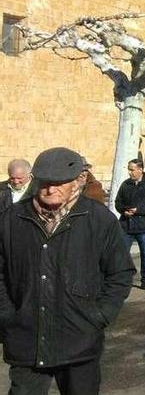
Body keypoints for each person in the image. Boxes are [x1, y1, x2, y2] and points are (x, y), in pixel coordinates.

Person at [0, 147, 134, 394]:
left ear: (76, 181)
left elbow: (121, 273)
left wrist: (99, 315)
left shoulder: (98, 219)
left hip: (79, 342)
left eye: (59, 182)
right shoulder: (12, 219)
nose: (51, 189)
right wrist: (8, 315)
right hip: (25, 340)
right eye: (45, 182)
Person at [115, 159, 145, 290]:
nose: (130, 172)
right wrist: (124, 211)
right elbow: (117, 202)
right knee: (122, 254)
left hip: (143, 226)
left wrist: (139, 211)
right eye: (129, 169)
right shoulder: (125, 184)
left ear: (140, 170)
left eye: (132, 169)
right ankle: (123, 279)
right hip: (126, 225)